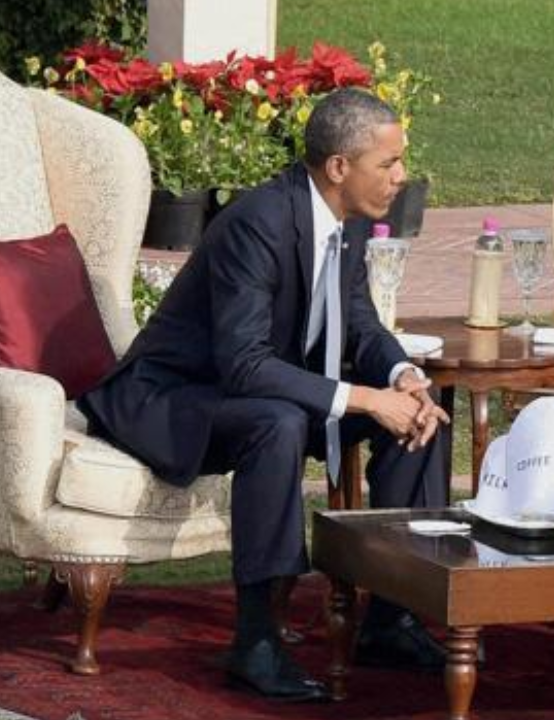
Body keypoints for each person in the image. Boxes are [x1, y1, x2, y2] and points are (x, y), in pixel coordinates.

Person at [79, 88, 452, 703]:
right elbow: (243, 364)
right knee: (277, 423)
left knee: (423, 414)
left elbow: (359, 322)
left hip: (257, 392)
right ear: (339, 167)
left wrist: (401, 378)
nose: (401, 176)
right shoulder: (258, 222)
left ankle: (392, 616)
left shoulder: (347, 224)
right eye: (388, 164)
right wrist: (362, 399)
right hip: (172, 398)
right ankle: (255, 641)